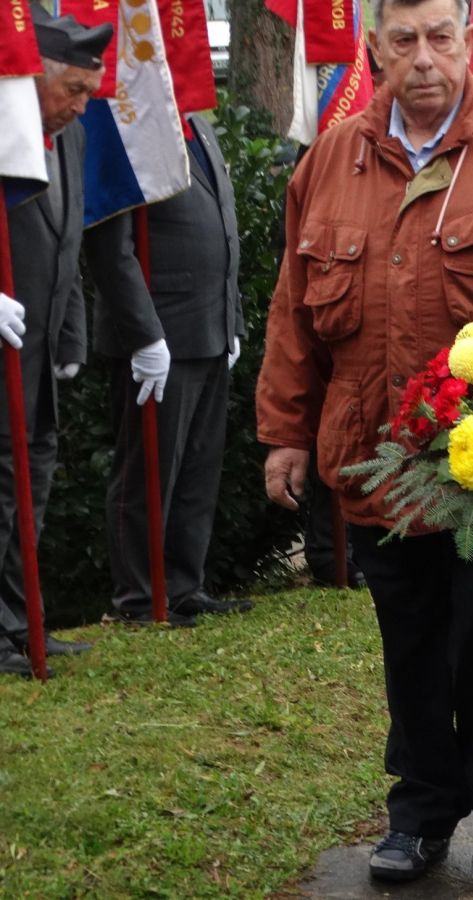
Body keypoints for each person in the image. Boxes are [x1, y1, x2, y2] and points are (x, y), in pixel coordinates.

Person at [256, 0, 473, 887]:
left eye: (440, 37)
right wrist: (284, 433)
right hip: (376, 458)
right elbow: (293, 310)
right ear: (375, 50)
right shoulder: (330, 159)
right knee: (413, 639)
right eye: (405, 40)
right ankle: (423, 809)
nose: (425, 57)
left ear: (467, 42)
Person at [84, 110, 252, 628]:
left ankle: (182, 585)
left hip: (208, 327)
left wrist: (232, 318)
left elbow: (223, 226)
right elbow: (111, 247)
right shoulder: (133, 124)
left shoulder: (199, 124)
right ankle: (139, 596)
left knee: (197, 469)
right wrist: (142, 334)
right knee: (147, 473)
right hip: (159, 331)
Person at [0, 5, 111, 677]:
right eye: (72, 89)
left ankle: (21, 624)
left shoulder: (71, 138)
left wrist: (72, 336)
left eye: (88, 93)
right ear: (34, 74)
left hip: (39, 356)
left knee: (29, 492)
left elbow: (70, 241)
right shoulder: (3, 128)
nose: (80, 105)